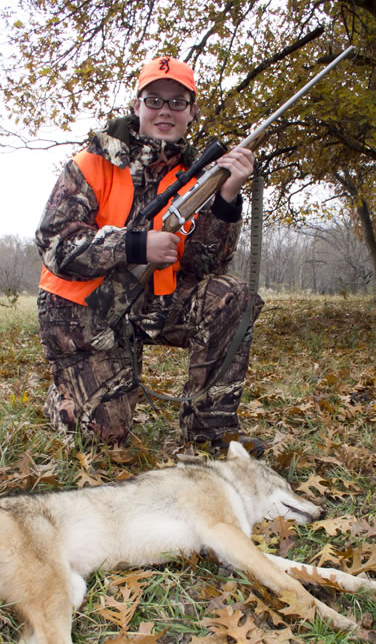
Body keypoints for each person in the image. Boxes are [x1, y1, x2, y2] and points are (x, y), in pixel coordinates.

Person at [35, 55, 264, 454]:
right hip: (83, 313)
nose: (165, 111)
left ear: (191, 111)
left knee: (232, 295)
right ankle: (65, 398)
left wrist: (227, 198)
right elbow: (55, 243)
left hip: (150, 304)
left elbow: (206, 266)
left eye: (177, 102)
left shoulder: (196, 176)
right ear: (136, 105)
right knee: (104, 439)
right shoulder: (90, 162)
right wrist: (137, 245)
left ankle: (208, 434)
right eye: (154, 100)